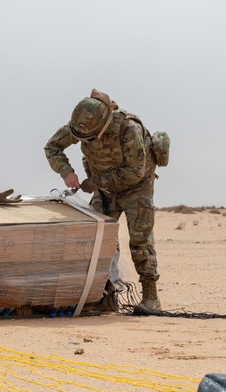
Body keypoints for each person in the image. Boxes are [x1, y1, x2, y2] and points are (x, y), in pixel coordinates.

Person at [44, 89, 163, 315]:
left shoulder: (128, 128)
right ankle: (104, 295)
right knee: (97, 239)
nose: (83, 141)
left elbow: (135, 172)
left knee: (140, 240)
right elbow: (52, 147)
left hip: (137, 188)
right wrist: (66, 172)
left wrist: (95, 181)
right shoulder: (81, 126)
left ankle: (151, 298)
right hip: (105, 190)